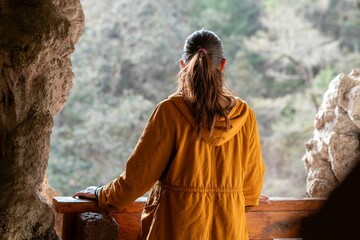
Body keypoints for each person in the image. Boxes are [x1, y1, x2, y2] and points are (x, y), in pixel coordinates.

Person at [73, 29, 266, 240]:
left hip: (178, 228)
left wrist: (103, 194)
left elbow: (137, 179)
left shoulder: (170, 112)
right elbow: (251, 189)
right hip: (229, 231)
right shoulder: (245, 116)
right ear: (222, 65)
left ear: (183, 65)